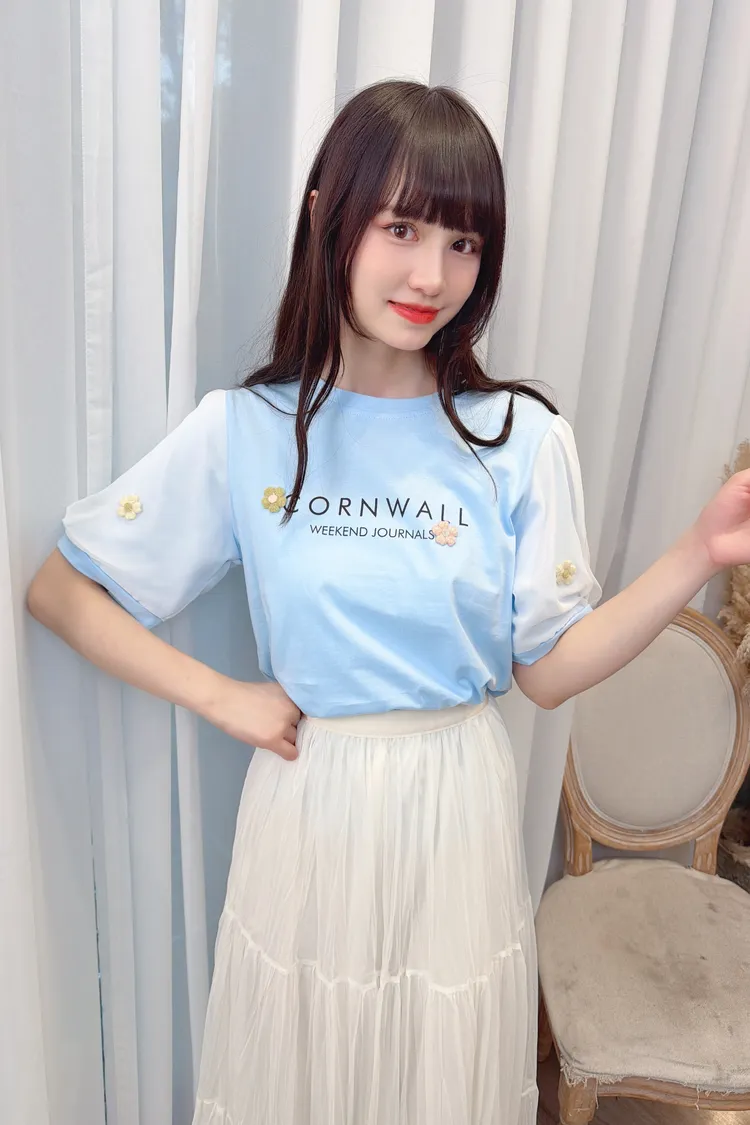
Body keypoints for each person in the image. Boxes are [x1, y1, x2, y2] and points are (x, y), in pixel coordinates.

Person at [26, 79, 749, 1125]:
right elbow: (62, 590)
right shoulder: (247, 430)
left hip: (454, 797)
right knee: (304, 1068)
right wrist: (223, 697)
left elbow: (548, 673)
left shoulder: (519, 439)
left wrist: (697, 551)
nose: (431, 276)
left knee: (435, 1071)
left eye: (463, 242)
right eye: (401, 228)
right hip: (312, 801)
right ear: (330, 216)